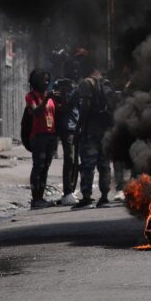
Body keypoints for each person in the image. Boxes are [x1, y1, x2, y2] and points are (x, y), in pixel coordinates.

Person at [70, 55, 115, 208]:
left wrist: (78, 128)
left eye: (80, 67)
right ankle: (104, 197)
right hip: (106, 130)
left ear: (85, 68)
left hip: (91, 130)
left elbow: (85, 107)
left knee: (88, 165)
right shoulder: (105, 82)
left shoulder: (86, 83)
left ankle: (87, 198)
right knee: (104, 164)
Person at [25, 68, 58, 209]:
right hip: (38, 136)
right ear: (36, 81)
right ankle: (35, 199)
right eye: (43, 79)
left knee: (45, 167)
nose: (46, 82)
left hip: (51, 136)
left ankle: (41, 198)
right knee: (38, 166)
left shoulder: (49, 96)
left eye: (47, 79)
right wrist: (46, 99)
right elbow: (36, 112)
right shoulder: (31, 96)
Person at [51, 75, 79, 206]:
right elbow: (61, 108)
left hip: (75, 128)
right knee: (70, 159)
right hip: (65, 128)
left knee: (74, 161)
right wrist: (62, 94)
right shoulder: (57, 91)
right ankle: (67, 192)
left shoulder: (75, 90)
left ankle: (71, 191)